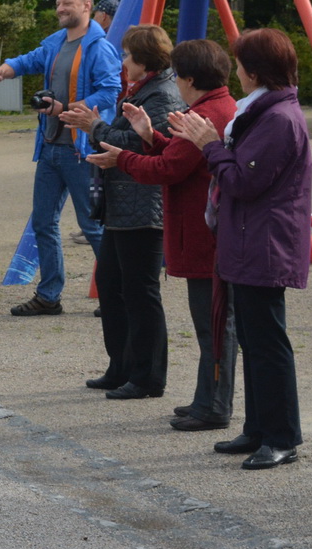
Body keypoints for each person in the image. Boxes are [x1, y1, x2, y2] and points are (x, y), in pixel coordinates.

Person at [167, 27, 312, 470]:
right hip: (249, 240)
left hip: (265, 244)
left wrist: (210, 145)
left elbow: (243, 182)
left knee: (268, 344)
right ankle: (258, 428)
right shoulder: (262, 111)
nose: (238, 72)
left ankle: (282, 436)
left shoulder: (278, 118)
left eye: (242, 64)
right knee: (252, 340)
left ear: (255, 71)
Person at [86, 39, 237, 429]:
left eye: (179, 76)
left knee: (214, 326)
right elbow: (178, 157)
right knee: (211, 324)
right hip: (201, 229)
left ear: (189, 79)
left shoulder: (206, 113)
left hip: (202, 232)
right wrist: (151, 136)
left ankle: (213, 405)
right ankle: (206, 399)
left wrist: (124, 157)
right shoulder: (212, 107)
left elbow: (170, 169)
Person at [0, 0, 122, 316]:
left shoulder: (99, 47)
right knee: (44, 223)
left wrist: (67, 108)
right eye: (58, 3)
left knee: (93, 226)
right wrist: (5, 70)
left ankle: (117, 297)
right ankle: (49, 296)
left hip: (82, 152)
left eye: (67, 3)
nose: (60, 8)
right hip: (50, 149)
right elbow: (30, 60)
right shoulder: (56, 42)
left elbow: (111, 91)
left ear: (86, 6)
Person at [62, 24, 184, 399]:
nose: (123, 62)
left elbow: (140, 144)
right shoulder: (142, 90)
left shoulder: (162, 95)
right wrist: (96, 127)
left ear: (145, 59)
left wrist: (94, 126)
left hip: (144, 207)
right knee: (112, 286)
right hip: (123, 205)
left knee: (140, 292)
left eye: (128, 55)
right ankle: (121, 367)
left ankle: (148, 377)